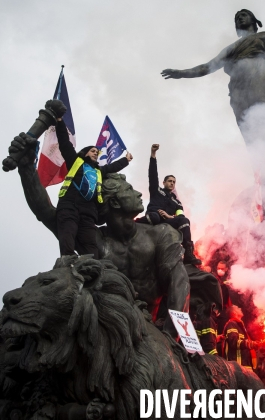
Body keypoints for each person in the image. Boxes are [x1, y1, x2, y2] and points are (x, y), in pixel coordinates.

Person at [9, 130, 190, 336]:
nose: (139, 193)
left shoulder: (162, 234)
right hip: (106, 333)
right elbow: (47, 212)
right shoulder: (96, 241)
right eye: (129, 190)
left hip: (155, 334)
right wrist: (26, 168)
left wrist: (172, 337)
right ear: (113, 201)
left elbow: (179, 285)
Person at [161, 9, 265, 188]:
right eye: (236, 17)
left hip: (261, 79)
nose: (239, 18)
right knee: (251, 132)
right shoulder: (231, 48)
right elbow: (208, 67)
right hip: (239, 91)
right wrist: (181, 73)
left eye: (244, 15)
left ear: (254, 21)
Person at [55, 115, 133, 260]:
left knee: (91, 247)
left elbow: (112, 167)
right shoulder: (75, 161)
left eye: (97, 153)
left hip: (88, 212)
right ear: (85, 153)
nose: (96, 153)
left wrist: (126, 160)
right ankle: (67, 262)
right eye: (92, 151)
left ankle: (92, 270)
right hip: (69, 205)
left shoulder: (99, 171)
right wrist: (60, 122)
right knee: (68, 234)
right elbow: (65, 143)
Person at [145, 143, 201, 265]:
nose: (172, 183)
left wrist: (171, 217)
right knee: (154, 216)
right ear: (164, 182)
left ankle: (188, 254)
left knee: (185, 221)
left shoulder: (177, 201)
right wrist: (153, 154)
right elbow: (152, 174)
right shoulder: (156, 190)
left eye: (174, 182)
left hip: (167, 220)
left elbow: (180, 215)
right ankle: (137, 223)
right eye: (169, 181)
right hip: (153, 215)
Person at [223, 305, 261, 370]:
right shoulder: (231, 324)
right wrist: (250, 343)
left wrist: (254, 344)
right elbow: (233, 341)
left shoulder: (239, 326)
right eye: (238, 308)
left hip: (245, 366)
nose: (240, 308)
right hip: (238, 368)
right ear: (234, 313)